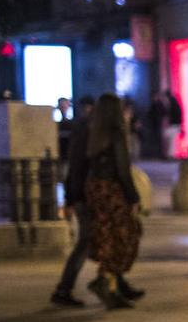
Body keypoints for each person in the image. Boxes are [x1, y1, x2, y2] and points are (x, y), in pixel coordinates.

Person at [74, 94, 143, 309]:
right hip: (111, 188)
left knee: (106, 234)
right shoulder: (116, 134)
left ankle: (110, 283)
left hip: (95, 188)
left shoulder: (95, 132)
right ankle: (105, 280)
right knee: (125, 235)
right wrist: (133, 197)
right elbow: (123, 169)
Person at [51, 108, 92, 307]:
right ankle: (64, 288)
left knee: (89, 241)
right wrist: (70, 201)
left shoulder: (77, 148)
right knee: (85, 242)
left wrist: (69, 200)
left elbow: (71, 176)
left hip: (80, 198)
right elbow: (75, 176)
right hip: (85, 199)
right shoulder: (85, 150)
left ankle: (112, 282)